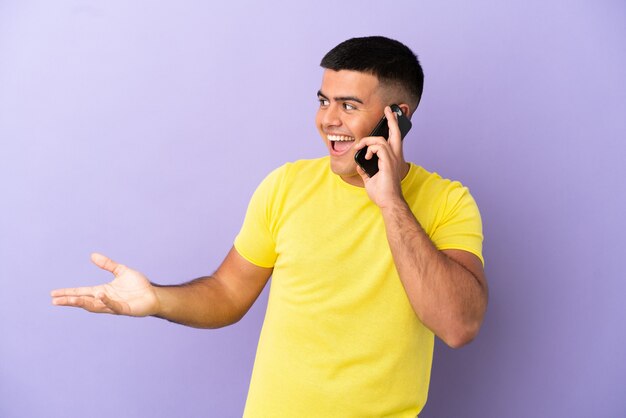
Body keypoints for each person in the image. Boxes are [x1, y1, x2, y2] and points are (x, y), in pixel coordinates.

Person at [51, 36, 488, 417]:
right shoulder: (286, 185)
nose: (327, 120)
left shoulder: (448, 203)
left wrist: (390, 201)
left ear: (397, 116)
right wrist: (155, 299)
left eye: (348, 105)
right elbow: (226, 294)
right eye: (323, 101)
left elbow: (458, 325)